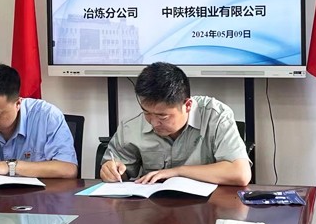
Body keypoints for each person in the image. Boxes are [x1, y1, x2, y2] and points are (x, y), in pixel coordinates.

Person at [100, 62, 251, 186]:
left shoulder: (216, 116)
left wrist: (177, 172)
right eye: (146, 112)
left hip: (208, 206)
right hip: (153, 208)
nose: (153, 123)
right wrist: (112, 171)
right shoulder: (131, 127)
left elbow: (240, 173)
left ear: (188, 105)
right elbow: (120, 172)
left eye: (162, 116)